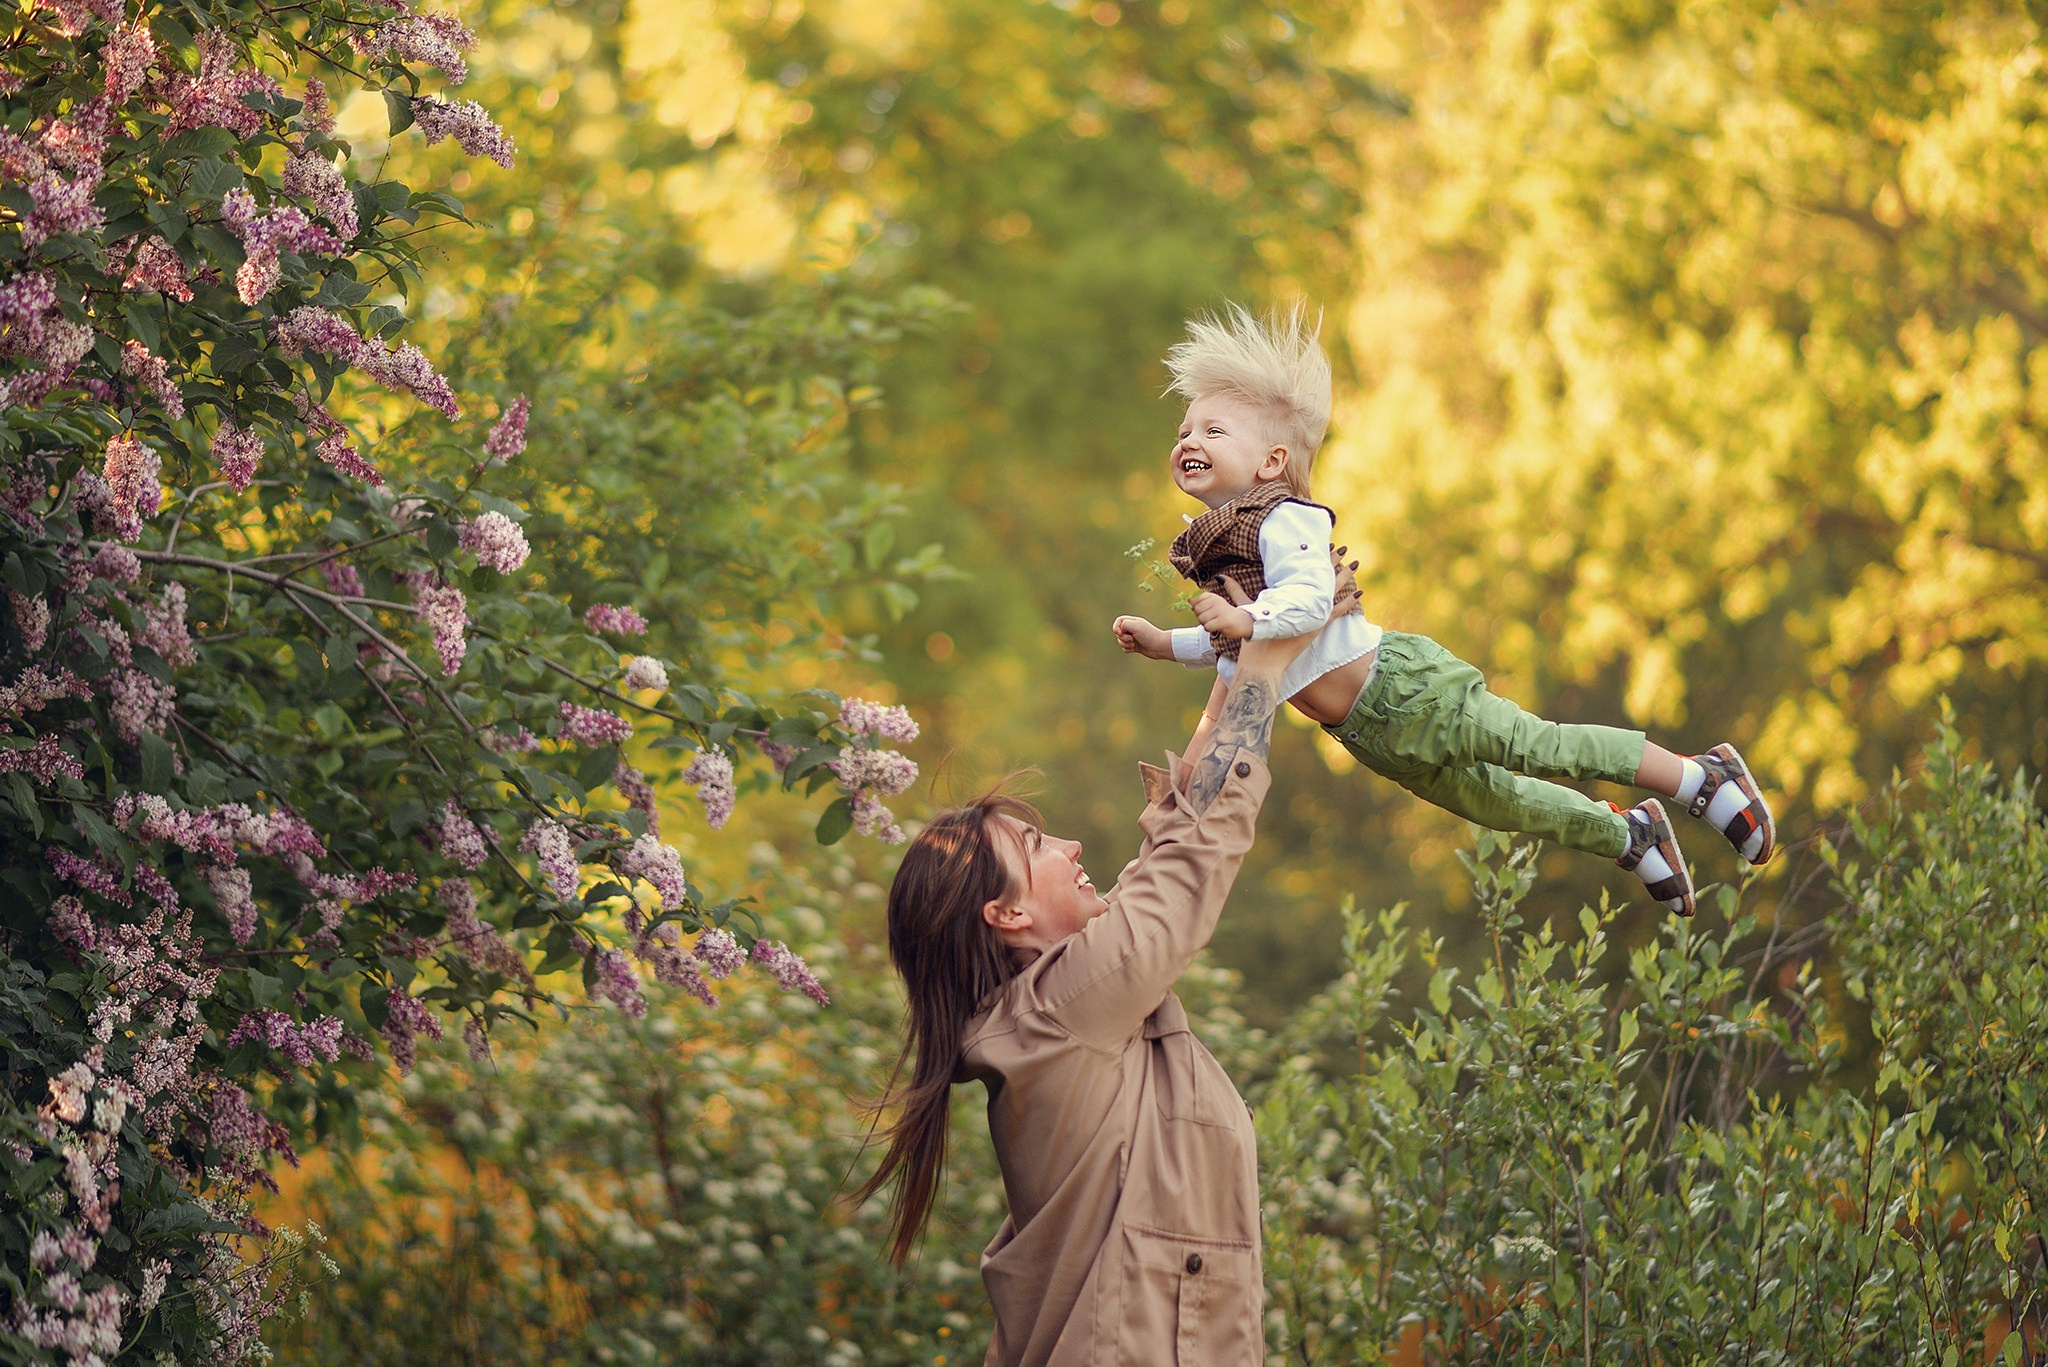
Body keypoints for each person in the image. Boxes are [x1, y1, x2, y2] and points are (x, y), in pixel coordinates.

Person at [1111, 304, 1778, 918]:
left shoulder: (1285, 520)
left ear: (1271, 461)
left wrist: (1245, 622)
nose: (1187, 438)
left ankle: (1700, 777)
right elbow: (1237, 654)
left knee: (1538, 745)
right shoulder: (1227, 555)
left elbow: (1308, 600)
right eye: (1183, 429)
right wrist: (1167, 643)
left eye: (1211, 428)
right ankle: (1626, 833)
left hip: (1405, 689)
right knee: (1499, 804)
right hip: (1367, 732)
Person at [854, 581, 1342, 1366]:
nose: (1072, 847)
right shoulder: (1060, 1017)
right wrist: (1268, 659)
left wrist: (1238, 658)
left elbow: (1177, 836)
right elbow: (1189, 864)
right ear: (1007, 915)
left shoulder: (1065, 1006)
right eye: (1040, 846)